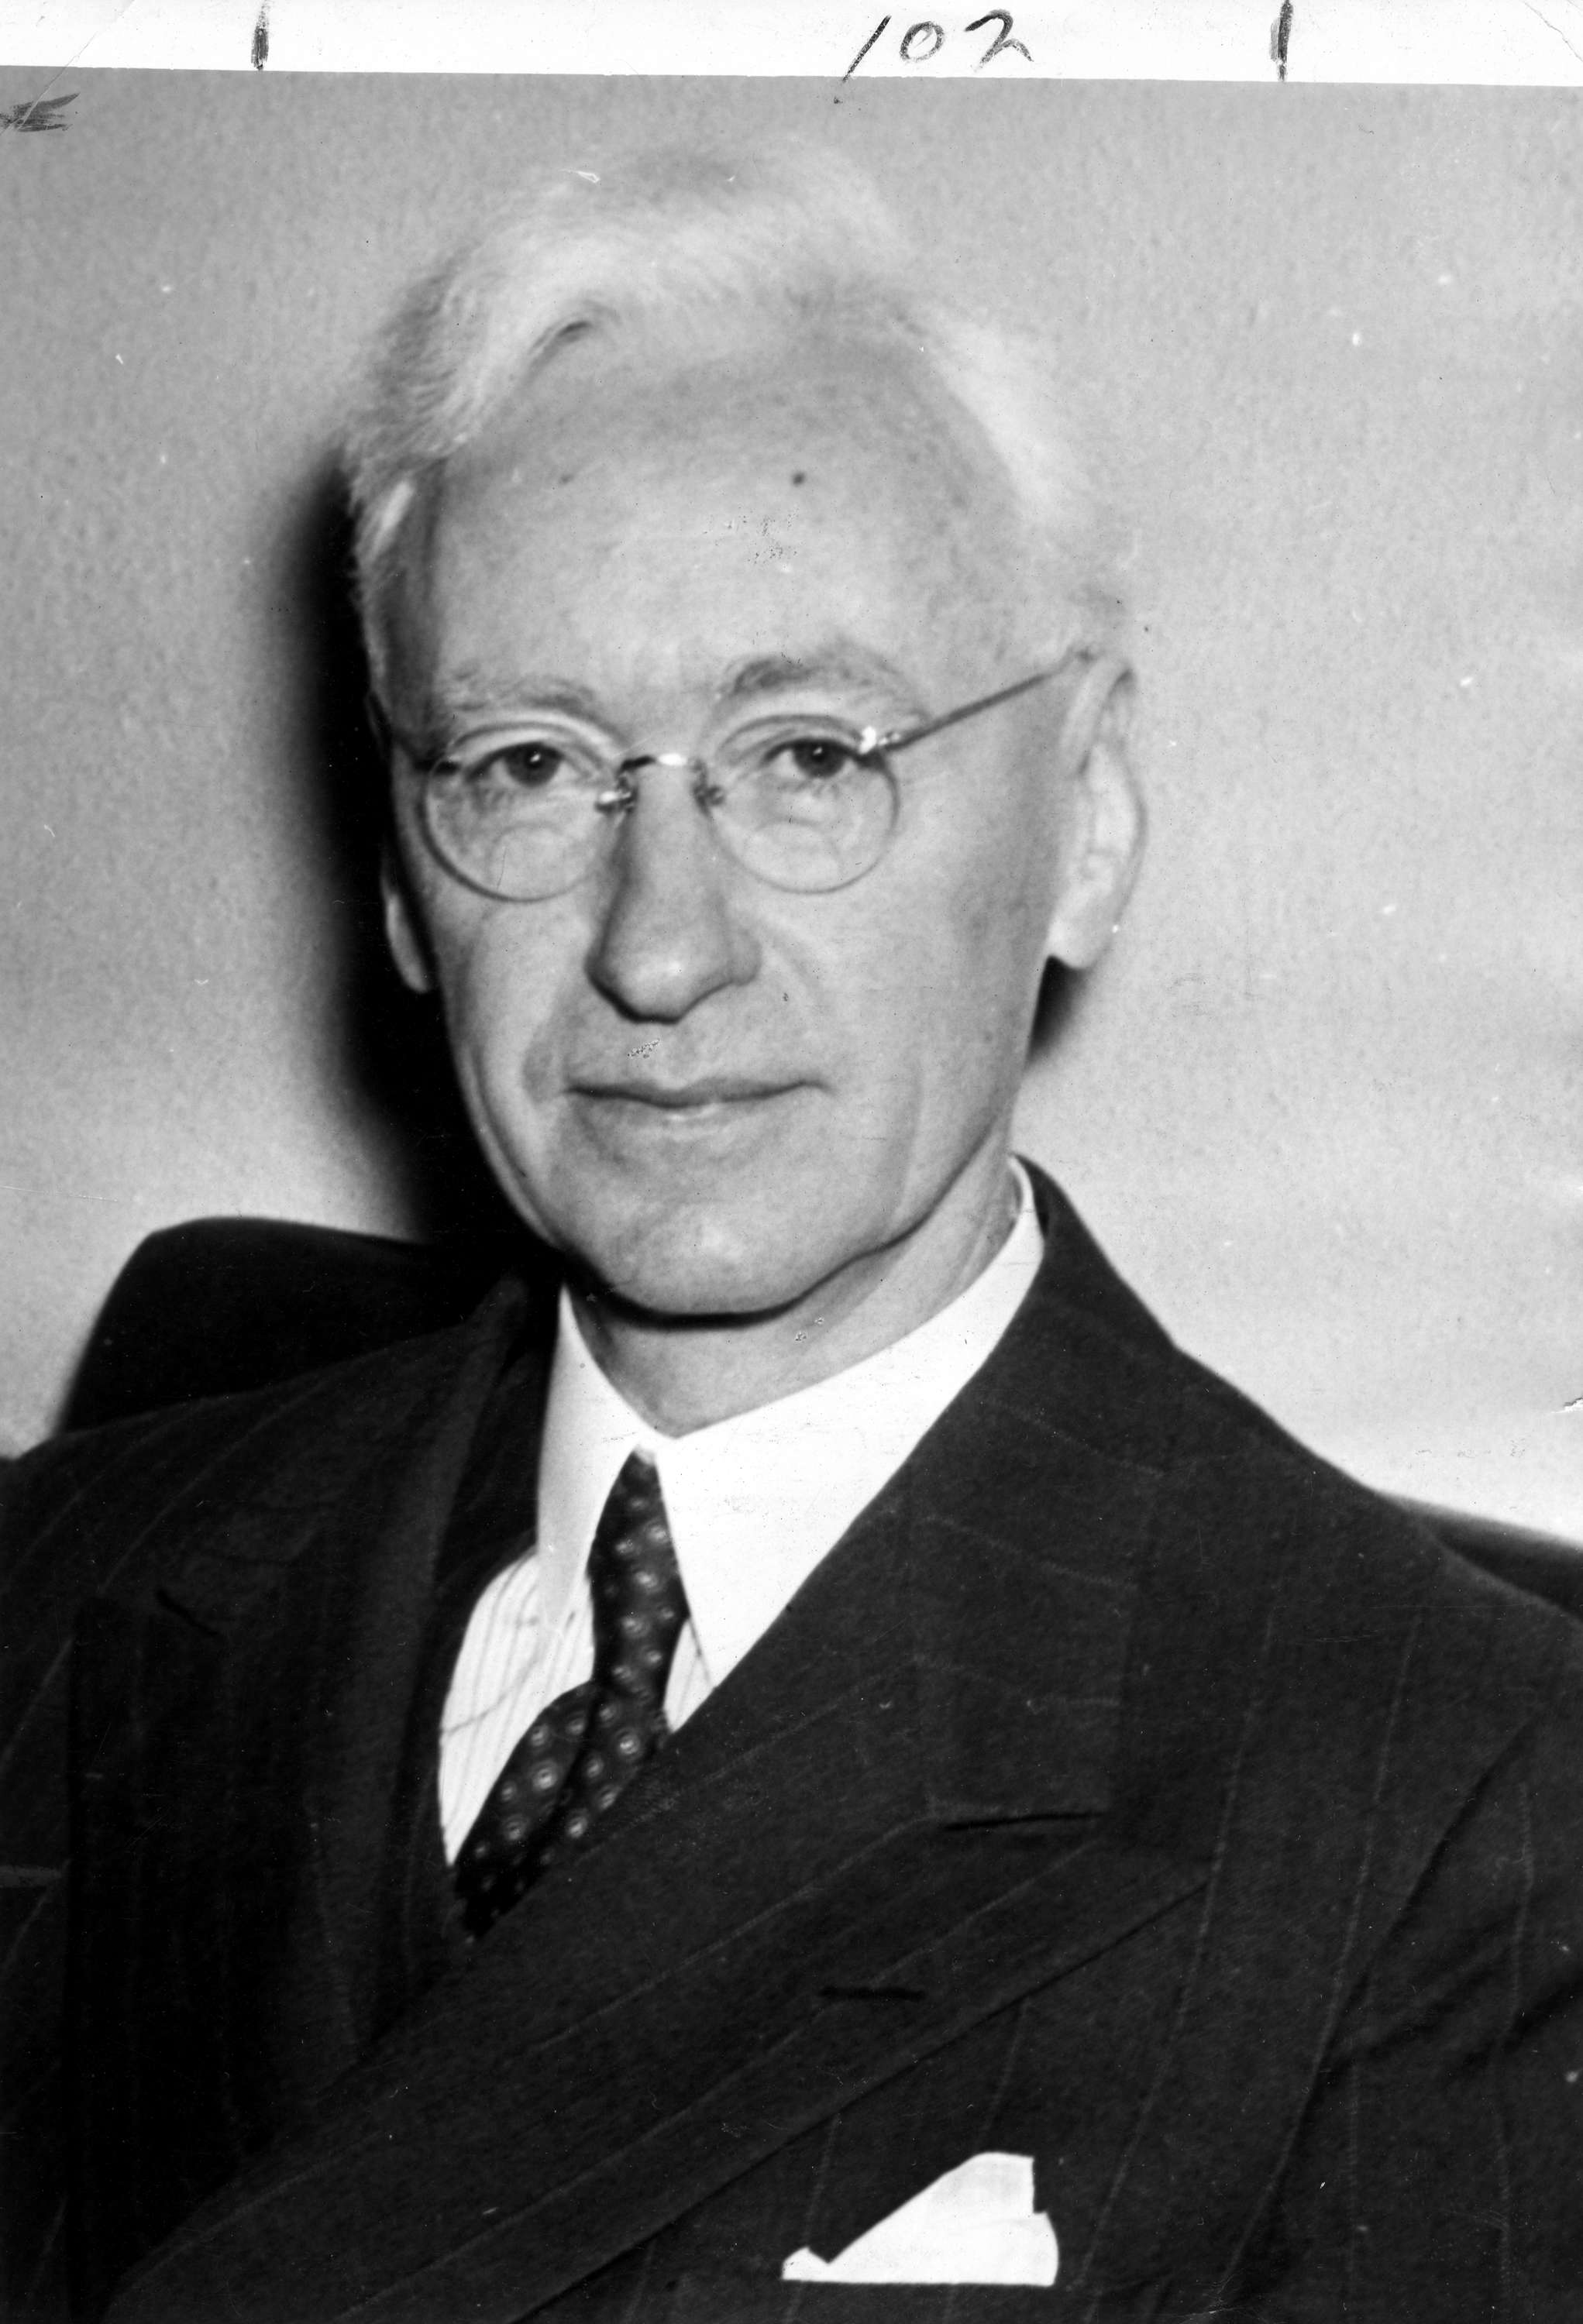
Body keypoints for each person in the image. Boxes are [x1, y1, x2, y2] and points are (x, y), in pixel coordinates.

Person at [3, 150, 1581, 2324]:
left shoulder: (1460, 1810)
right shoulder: (53, 1585)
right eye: (527, 765)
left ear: (1088, 822)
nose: (659, 951)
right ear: (400, 876)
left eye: (810, 755)